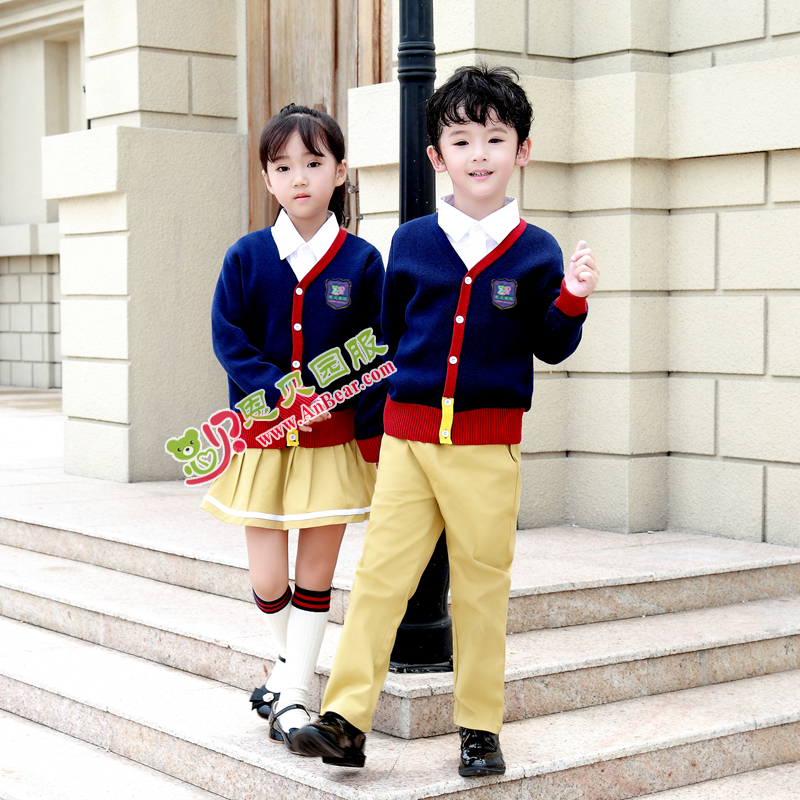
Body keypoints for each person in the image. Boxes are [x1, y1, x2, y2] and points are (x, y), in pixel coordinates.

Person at [292, 65, 599, 775]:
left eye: (496, 138)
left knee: (482, 588)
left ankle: (480, 730)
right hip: (406, 439)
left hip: (489, 449)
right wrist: (371, 429)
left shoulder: (537, 251)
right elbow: (389, 343)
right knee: (378, 580)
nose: (480, 154)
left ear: (522, 150)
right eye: (462, 140)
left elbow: (550, 344)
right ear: (437, 157)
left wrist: (574, 298)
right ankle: (344, 721)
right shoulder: (413, 242)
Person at [201, 104, 385, 753]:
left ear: (340, 171)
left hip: (332, 445)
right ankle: (287, 672)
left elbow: (373, 346)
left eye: (314, 162)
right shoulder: (247, 257)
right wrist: (278, 391)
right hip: (262, 442)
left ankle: (295, 696)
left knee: (315, 577)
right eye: (284, 166)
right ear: (267, 176)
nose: (299, 177)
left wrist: (364, 430)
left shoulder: (362, 262)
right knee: (268, 580)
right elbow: (229, 338)